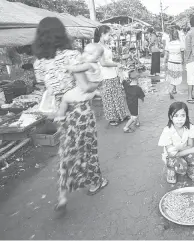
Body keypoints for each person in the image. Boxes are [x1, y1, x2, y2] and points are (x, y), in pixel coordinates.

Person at [32, 17, 109, 211]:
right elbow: (84, 86)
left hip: (61, 111)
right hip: (80, 109)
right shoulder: (71, 55)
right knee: (87, 147)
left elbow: (45, 87)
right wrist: (97, 86)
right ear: (61, 33)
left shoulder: (39, 63)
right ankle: (94, 183)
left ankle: (62, 195)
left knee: (67, 150)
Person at [158, 102, 194, 184]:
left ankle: (190, 169)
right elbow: (172, 154)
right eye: (176, 116)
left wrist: (179, 149)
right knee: (181, 166)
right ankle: (171, 171)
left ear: (186, 116)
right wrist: (192, 150)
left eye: (183, 115)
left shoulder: (190, 127)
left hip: (181, 153)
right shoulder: (167, 131)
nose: (179, 119)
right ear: (171, 117)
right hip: (171, 157)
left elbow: (190, 145)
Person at [95, 25, 130, 126]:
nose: (110, 36)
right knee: (108, 97)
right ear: (102, 34)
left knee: (117, 95)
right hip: (105, 76)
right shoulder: (98, 47)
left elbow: (109, 60)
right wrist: (117, 64)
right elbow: (103, 63)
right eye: (109, 34)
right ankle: (112, 118)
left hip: (112, 74)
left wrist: (117, 67)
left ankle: (122, 115)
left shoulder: (106, 45)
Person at [56, 43, 103, 119]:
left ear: (98, 58)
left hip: (83, 91)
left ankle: (61, 116)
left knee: (65, 98)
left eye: (90, 54)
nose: (85, 55)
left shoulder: (88, 65)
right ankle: (96, 94)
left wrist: (66, 66)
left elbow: (76, 69)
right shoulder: (96, 65)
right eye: (85, 52)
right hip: (91, 91)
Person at [122, 69, 145, 133]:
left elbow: (123, 81)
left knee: (135, 112)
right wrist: (142, 100)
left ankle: (137, 122)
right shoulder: (137, 88)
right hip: (134, 104)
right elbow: (142, 97)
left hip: (129, 103)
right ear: (137, 78)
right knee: (134, 116)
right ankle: (126, 128)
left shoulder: (126, 84)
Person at [164, 29, 184, 99]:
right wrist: (183, 61)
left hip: (170, 62)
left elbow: (166, 55)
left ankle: (174, 89)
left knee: (172, 76)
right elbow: (182, 54)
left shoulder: (168, 43)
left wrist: (165, 62)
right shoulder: (180, 43)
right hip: (177, 62)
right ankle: (171, 90)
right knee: (176, 76)